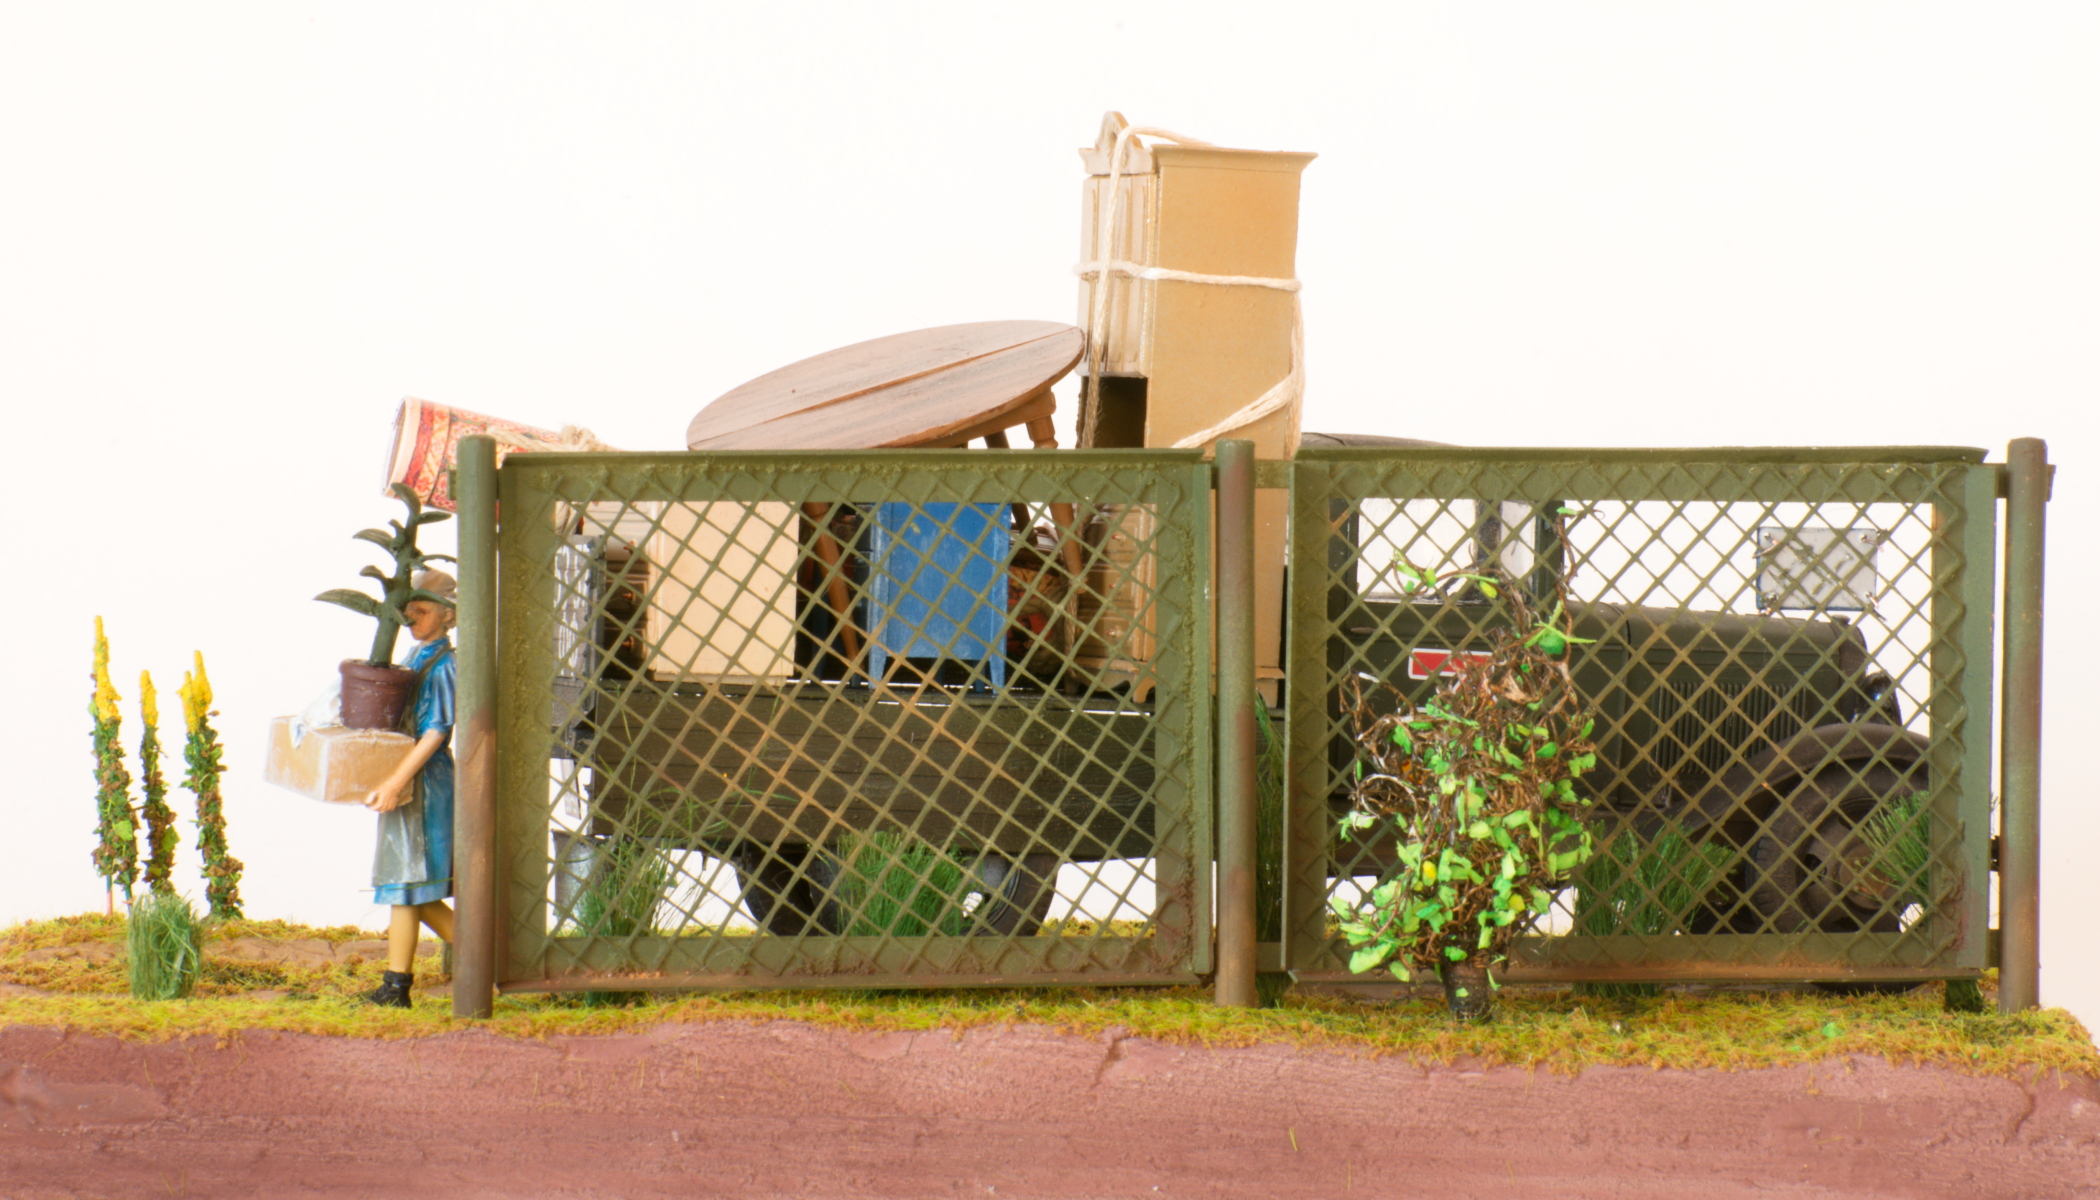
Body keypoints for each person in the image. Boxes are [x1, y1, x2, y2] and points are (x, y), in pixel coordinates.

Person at [361, 569, 458, 1007]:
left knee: (411, 882)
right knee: (407, 885)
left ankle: (487, 959)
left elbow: (436, 730)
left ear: (448, 614)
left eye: (423, 609)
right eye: (410, 610)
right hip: (407, 774)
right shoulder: (417, 656)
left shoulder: (446, 665)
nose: (413, 617)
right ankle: (397, 984)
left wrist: (397, 780)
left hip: (426, 781)